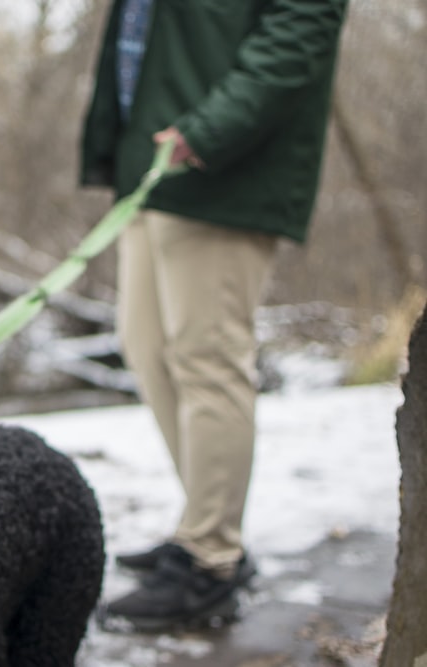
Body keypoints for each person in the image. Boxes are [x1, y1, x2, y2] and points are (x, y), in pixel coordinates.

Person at [78, 0, 349, 632]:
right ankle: (204, 527)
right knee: (144, 347)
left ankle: (210, 558)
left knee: (207, 358)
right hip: (153, 160)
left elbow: (301, 27)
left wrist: (211, 128)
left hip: (220, 165)